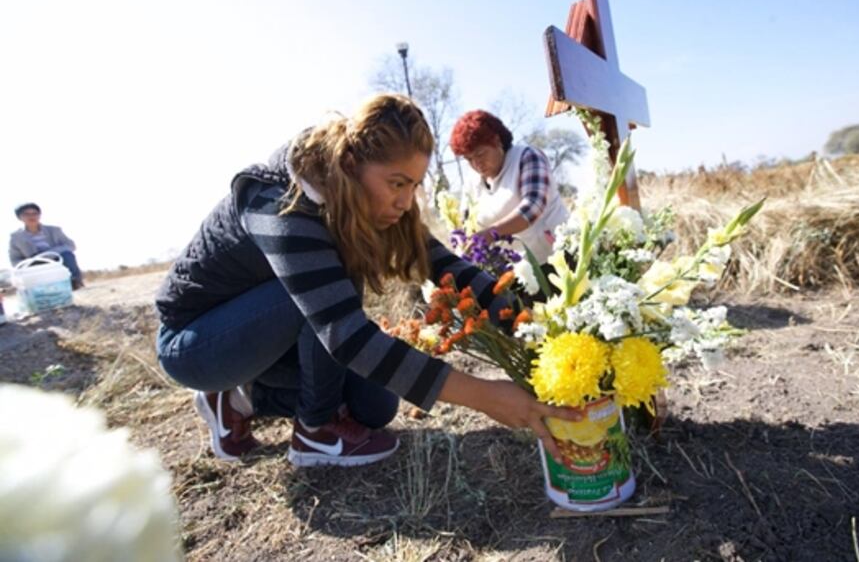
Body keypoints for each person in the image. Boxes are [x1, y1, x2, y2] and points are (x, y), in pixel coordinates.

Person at [154, 94, 578, 468]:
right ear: (352, 164)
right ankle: (314, 433)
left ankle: (239, 400)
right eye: (397, 184)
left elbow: (448, 267)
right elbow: (347, 336)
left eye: (413, 185)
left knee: (375, 405)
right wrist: (485, 396)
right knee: (323, 291)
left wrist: (535, 332)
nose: (405, 201)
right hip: (196, 343)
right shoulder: (279, 201)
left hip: (269, 337)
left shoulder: (367, 195)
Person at [450, 110, 570, 262]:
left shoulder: (527, 157)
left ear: (497, 141)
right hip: (516, 270)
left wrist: (490, 234)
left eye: (480, 154)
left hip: (556, 259)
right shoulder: (472, 181)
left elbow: (533, 207)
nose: (476, 164)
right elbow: (465, 221)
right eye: (469, 159)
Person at [9, 203, 84, 289]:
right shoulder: (16, 237)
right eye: (27, 214)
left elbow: (71, 245)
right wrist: (29, 262)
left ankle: (75, 282)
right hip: (34, 264)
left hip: (57, 259)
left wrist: (51, 253)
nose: (32, 217)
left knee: (67, 255)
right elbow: (14, 259)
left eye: (35, 213)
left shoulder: (55, 230)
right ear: (19, 217)